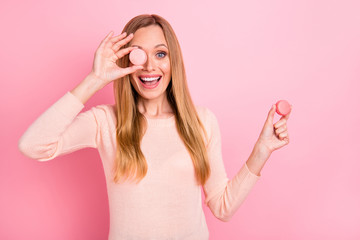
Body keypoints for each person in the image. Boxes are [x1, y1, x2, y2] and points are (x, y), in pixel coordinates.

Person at [18, 14, 292, 240]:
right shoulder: (105, 122)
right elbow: (32, 145)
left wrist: (261, 151)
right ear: (126, 62)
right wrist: (95, 79)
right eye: (138, 55)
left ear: (174, 61)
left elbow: (223, 207)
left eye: (160, 54)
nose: (149, 66)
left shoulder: (202, 122)